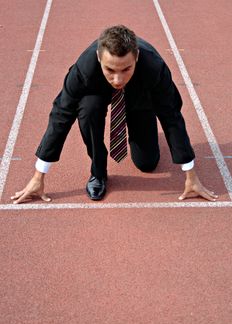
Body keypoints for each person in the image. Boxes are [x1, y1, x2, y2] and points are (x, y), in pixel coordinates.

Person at [11, 25, 218, 203]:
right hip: (97, 94)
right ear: (99, 57)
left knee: (147, 164)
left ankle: (142, 131)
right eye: (110, 69)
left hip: (139, 98)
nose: (118, 79)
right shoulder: (84, 70)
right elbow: (60, 115)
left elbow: (171, 115)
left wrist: (190, 173)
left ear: (136, 56)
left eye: (126, 69)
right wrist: (39, 175)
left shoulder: (154, 68)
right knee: (88, 108)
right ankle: (98, 173)